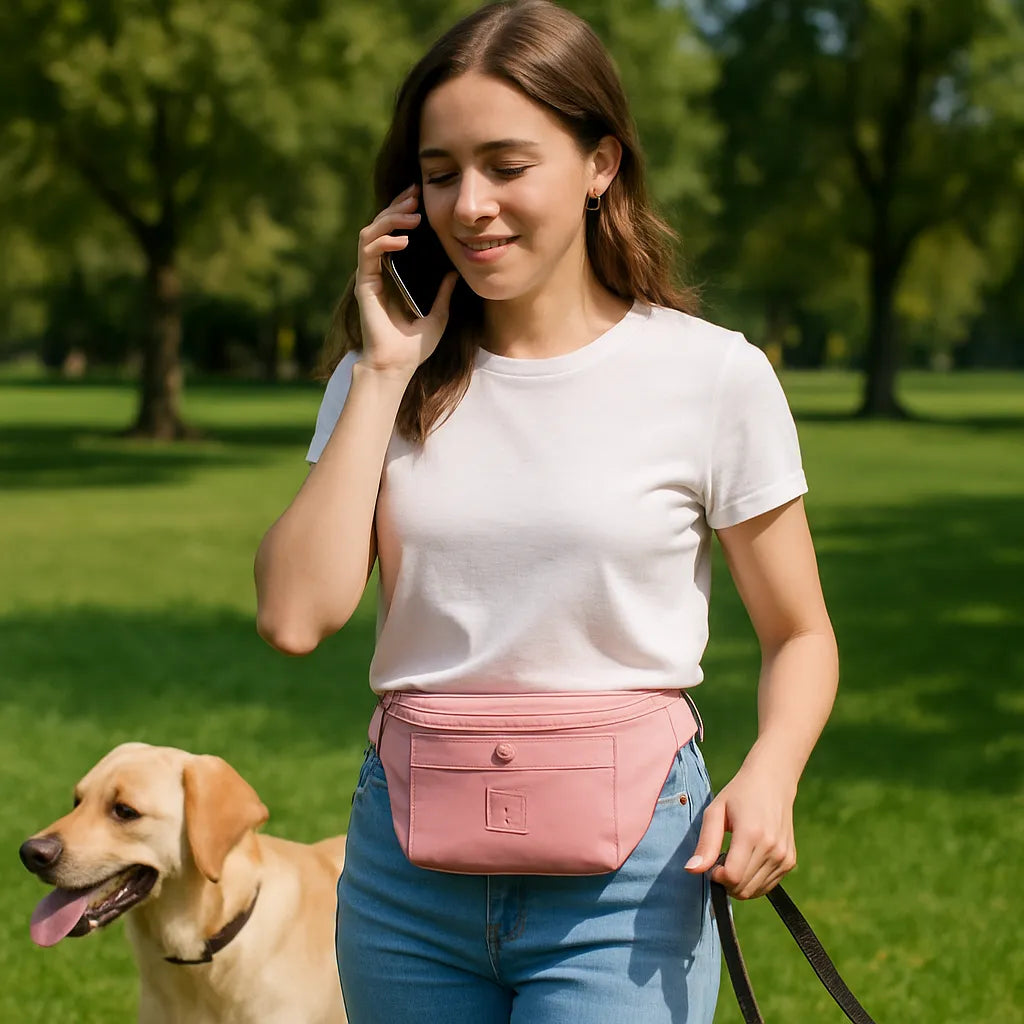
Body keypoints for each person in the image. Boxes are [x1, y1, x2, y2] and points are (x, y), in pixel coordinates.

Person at [254, 2, 838, 1021]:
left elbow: (800, 632)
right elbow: (295, 618)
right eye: (440, 173)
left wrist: (773, 772)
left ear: (600, 163)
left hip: (629, 887)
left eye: (507, 165)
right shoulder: (380, 377)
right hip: (404, 878)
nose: (469, 205)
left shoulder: (709, 376)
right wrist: (384, 370)